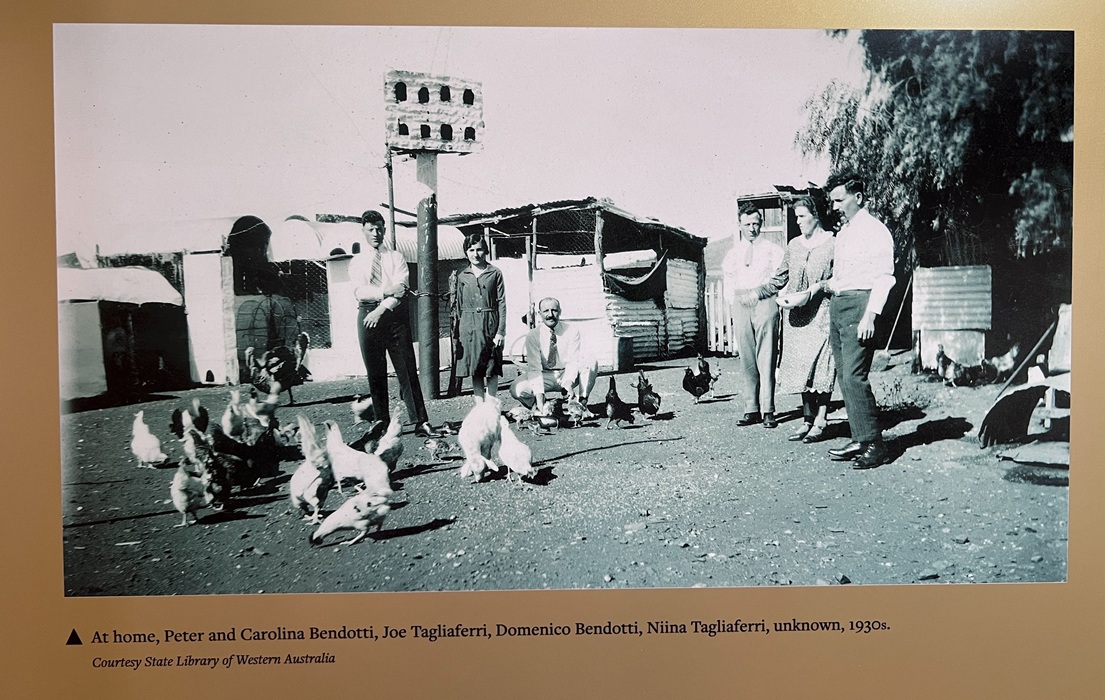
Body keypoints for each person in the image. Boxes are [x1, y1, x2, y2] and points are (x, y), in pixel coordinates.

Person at [821, 172, 896, 469]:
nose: (835, 207)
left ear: (859, 198)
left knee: (854, 375)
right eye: (832, 201)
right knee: (844, 376)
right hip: (840, 305)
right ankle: (859, 437)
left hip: (860, 306)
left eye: (840, 200)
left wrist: (870, 315)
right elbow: (843, 276)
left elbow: (884, 277)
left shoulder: (875, 230)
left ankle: (875, 444)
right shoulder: (844, 233)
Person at [349, 210, 440, 438]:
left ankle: (420, 421)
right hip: (367, 317)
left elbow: (400, 290)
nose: (375, 233)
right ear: (363, 231)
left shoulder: (396, 257)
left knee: (407, 370)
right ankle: (381, 421)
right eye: (371, 229)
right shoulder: (357, 261)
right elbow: (360, 291)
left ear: (384, 230)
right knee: (375, 372)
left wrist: (380, 309)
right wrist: (385, 292)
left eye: (379, 229)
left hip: (393, 317)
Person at [722, 201, 789, 428]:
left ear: (761, 224)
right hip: (741, 302)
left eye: (756, 224)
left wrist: (775, 302)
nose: (752, 228)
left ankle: (768, 409)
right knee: (747, 357)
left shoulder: (773, 250)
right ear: (739, 225)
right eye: (747, 224)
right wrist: (735, 302)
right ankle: (751, 408)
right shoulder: (733, 253)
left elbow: (780, 279)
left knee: (767, 355)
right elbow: (729, 280)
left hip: (765, 300)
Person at [776, 196, 836, 443]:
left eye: (802, 216)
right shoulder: (794, 245)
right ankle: (807, 419)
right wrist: (759, 293)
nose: (798, 222)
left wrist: (819, 287)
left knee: (822, 365)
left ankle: (821, 419)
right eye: (796, 217)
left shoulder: (833, 243)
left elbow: (839, 278)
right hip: (796, 315)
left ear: (816, 215)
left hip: (822, 311)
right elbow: (780, 276)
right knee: (802, 365)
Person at [509, 297, 598, 415]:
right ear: (539, 313)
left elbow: (573, 361)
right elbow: (535, 369)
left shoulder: (571, 330)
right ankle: (540, 407)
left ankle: (582, 404)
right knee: (517, 389)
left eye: (554, 310)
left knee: (590, 360)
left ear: (560, 311)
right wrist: (539, 397)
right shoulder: (533, 335)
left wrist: (568, 382)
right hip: (544, 374)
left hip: (565, 373)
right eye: (546, 311)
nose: (550, 315)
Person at [453, 233, 507, 404]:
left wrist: (500, 332)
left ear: (486, 251)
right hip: (469, 326)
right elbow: (459, 306)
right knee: (475, 367)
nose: (475, 254)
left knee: (491, 366)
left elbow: (502, 303)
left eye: (479, 250)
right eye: (471, 250)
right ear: (466, 252)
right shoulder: (462, 276)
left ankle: (491, 406)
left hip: (490, 324)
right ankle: (479, 406)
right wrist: (458, 333)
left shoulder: (495, 273)